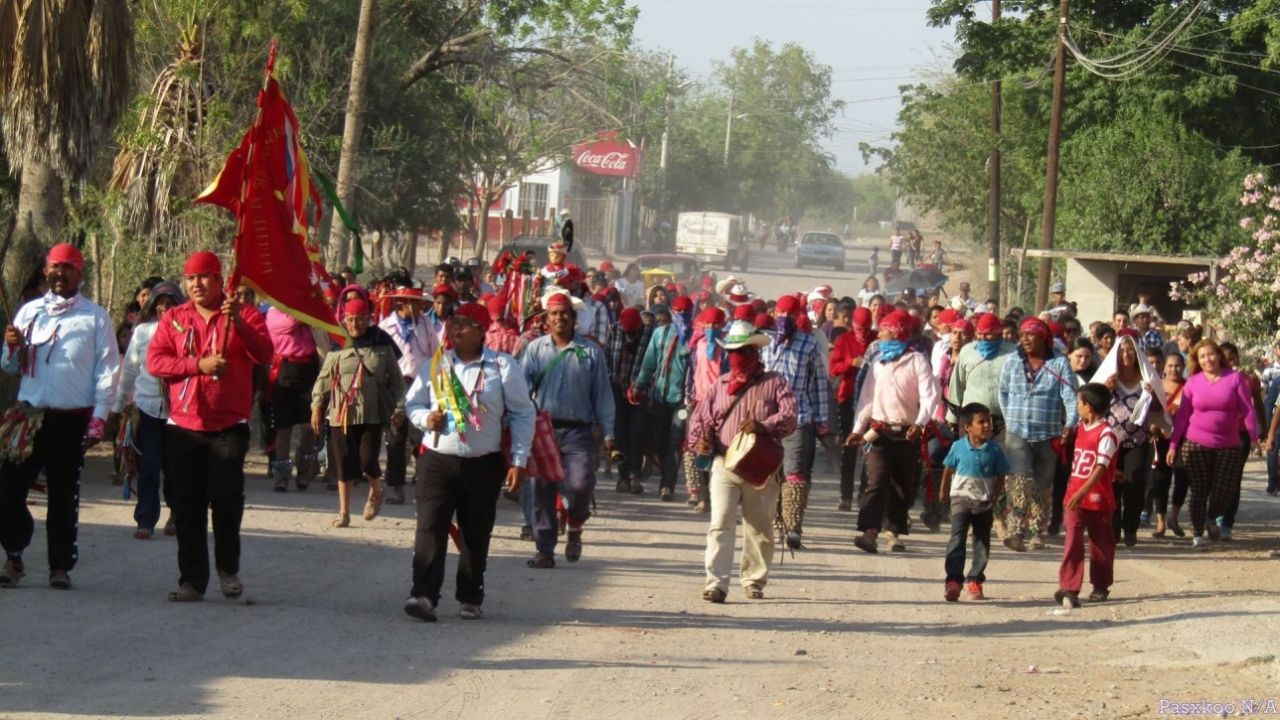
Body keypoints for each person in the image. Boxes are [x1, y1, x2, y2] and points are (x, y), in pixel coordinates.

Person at [147, 251, 274, 602]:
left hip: (228, 425)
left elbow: (265, 354)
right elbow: (155, 360)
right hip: (183, 425)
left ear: (220, 279)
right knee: (186, 504)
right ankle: (191, 580)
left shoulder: (242, 313)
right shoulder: (173, 318)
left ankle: (228, 570)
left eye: (204, 276)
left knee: (226, 499)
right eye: (190, 278)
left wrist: (242, 324)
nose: (196, 284)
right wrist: (198, 365)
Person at [402, 302, 536, 622]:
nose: (455, 329)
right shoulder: (436, 365)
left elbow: (521, 413)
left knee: (476, 530)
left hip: (483, 463)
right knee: (430, 526)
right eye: (452, 323)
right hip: (437, 459)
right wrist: (424, 418)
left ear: (481, 330)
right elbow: (413, 404)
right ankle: (423, 595)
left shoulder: (502, 367)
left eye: (464, 324)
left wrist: (518, 460)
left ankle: (470, 595)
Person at [0, 244, 120, 590]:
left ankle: (60, 566)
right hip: (27, 417)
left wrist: (100, 416)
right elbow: (9, 367)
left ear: (79, 274)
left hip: (70, 419)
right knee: (8, 488)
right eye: (54, 267)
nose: (60, 273)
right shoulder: (28, 313)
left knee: (63, 495)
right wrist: (11, 347)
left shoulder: (95, 317)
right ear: (45, 272)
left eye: (68, 268)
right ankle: (14, 555)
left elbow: (108, 370)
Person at [687, 319, 797, 603]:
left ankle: (753, 580)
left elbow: (790, 416)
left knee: (759, 527)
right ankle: (716, 583)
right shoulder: (719, 385)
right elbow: (701, 420)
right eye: (736, 352)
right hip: (725, 464)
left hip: (760, 466)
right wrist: (702, 440)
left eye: (747, 351)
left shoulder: (775, 383)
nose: (740, 357)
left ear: (756, 353)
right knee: (720, 523)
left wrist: (764, 425)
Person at [521, 291, 616, 568]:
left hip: (579, 433)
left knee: (580, 484)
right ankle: (545, 550)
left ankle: (574, 525)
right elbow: (521, 391)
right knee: (541, 490)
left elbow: (603, 396)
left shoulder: (591, 352)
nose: (559, 317)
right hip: (543, 431)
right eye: (554, 314)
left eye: (565, 313)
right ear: (546, 320)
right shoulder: (535, 350)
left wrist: (608, 433)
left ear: (575, 319)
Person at [847, 310, 940, 554]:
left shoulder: (917, 360)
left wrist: (920, 424)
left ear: (897, 332)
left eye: (885, 330)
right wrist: (858, 428)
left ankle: (894, 532)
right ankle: (870, 532)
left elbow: (931, 396)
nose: (880, 333)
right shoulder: (878, 362)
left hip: (908, 432)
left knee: (902, 484)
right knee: (876, 480)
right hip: (879, 431)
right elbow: (867, 398)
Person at [311, 298, 405, 528]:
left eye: (360, 319)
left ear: (368, 319)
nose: (355, 324)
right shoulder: (338, 346)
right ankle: (344, 512)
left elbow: (397, 381)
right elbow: (324, 379)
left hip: (371, 413)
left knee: (367, 459)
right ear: (344, 320)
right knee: (344, 462)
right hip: (341, 415)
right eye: (350, 320)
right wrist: (316, 406)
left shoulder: (381, 345)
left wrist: (400, 407)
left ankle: (376, 489)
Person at [1167, 340, 1258, 551]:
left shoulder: (1235, 378)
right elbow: (1182, 418)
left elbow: (1248, 410)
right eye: (1202, 357)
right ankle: (1197, 534)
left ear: (1218, 355)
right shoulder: (1193, 382)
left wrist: (1253, 438)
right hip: (1195, 443)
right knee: (1198, 490)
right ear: (1197, 361)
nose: (1207, 359)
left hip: (1229, 443)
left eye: (1210, 354)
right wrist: (1173, 445)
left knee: (1225, 490)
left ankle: (1211, 516)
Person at [998, 317, 1078, 552]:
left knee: (1043, 485)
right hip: (1018, 431)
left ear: (1044, 338)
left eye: (1030, 335)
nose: (1025, 339)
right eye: (1021, 335)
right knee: (1018, 480)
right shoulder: (1011, 362)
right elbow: (1003, 394)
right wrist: (1010, 419)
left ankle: (1037, 532)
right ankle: (1016, 530)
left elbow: (1071, 397)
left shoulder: (1060, 364)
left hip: (1048, 432)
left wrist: (1070, 423)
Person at [111, 280, 184, 539]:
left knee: (175, 467)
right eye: (160, 304)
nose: (165, 309)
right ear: (153, 306)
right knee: (148, 465)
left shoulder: (188, 331)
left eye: (170, 304)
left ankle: (177, 514)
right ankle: (145, 519)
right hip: (147, 407)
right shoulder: (142, 332)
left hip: (179, 411)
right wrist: (119, 405)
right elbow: (130, 370)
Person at [763, 294, 830, 550]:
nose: (784, 319)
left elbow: (819, 384)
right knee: (770, 474)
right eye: (780, 314)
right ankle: (773, 520)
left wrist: (822, 420)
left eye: (790, 316)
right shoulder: (765, 343)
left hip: (799, 418)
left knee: (795, 474)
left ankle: (793, 526)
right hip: (767, 421)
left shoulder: (809, 344)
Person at [1092, 331, 1165, 548]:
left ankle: (1130, 527)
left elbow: (1159, 409)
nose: (1126, 354)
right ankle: (1112, 530)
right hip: (1110, 441)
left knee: (1134, 482)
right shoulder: (1108, 379)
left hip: (1137, 441)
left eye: (1131, 350)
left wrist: (1152, 397)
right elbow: (1092, 406)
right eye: (1122, 350)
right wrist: (1105, 390)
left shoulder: (1147, 379)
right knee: (1111, 484)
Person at [1056, 383, 1118, 608]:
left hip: (1097, 498)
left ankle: (1100, 585)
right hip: (1074, 497)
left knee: (1100, 544)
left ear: (1089, 407)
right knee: (1072, 539)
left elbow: (1101, 466)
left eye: (1079, 402)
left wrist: (1083, 491)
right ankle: (1069, 587)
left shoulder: (1107, 433)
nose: (1077, 407)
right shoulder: (1080, 428)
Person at [940, 402, 1009, 602]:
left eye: (989, 421)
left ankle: (975, 579)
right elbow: (948, 468)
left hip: (984, 503)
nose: (988, 425)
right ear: (967, 427)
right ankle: (953, 580)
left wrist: (995, 497)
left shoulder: (994, 450)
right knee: (957, 538)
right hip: (960, 499)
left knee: (981, 541)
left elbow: (1001, 476)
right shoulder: (958, 446)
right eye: (982, 422)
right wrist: (944, 489)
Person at [379, 285, 435, 505]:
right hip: (395, 383)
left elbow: (434, 352)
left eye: (420, 303)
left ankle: (423, 484)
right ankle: (395, 485)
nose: (420, 307)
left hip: (420, 383)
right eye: (415, 303)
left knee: (419, 435)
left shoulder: (426, 325)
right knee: (395, 436)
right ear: (403, 303)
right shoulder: (386, 326)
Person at [632, 302, 691, 501]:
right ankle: (664, 473)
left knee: (675, 442)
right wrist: (639, 385)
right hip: (659, 397)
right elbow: (649, 362)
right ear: (672, 313)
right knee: (659, 439)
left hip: (682, 400)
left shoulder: (693, 337)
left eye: (685, 312)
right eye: (678, 311)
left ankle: (667, 485)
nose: (681, 315)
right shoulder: (659, 334)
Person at [264, 303, 323, 492]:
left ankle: (304, 471)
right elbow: (292, 321)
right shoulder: (273, 314)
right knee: (284, 428)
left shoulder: (307, 313)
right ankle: (281, 476)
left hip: (309, 370)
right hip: (285, 372)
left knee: (309, 426)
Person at [1150, 352, 1187, 538]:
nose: (1174, 369)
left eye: (1178, 366)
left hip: (1184, 438)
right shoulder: (1156, 387)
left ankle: (1174, 517)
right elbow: (1147, 412)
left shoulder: (1189, 387)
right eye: (1170, 366)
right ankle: (1161, 522)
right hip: (1160, 438)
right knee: (1160, 480)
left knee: (1182, 477)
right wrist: (1154, 427)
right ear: (1164, 367)